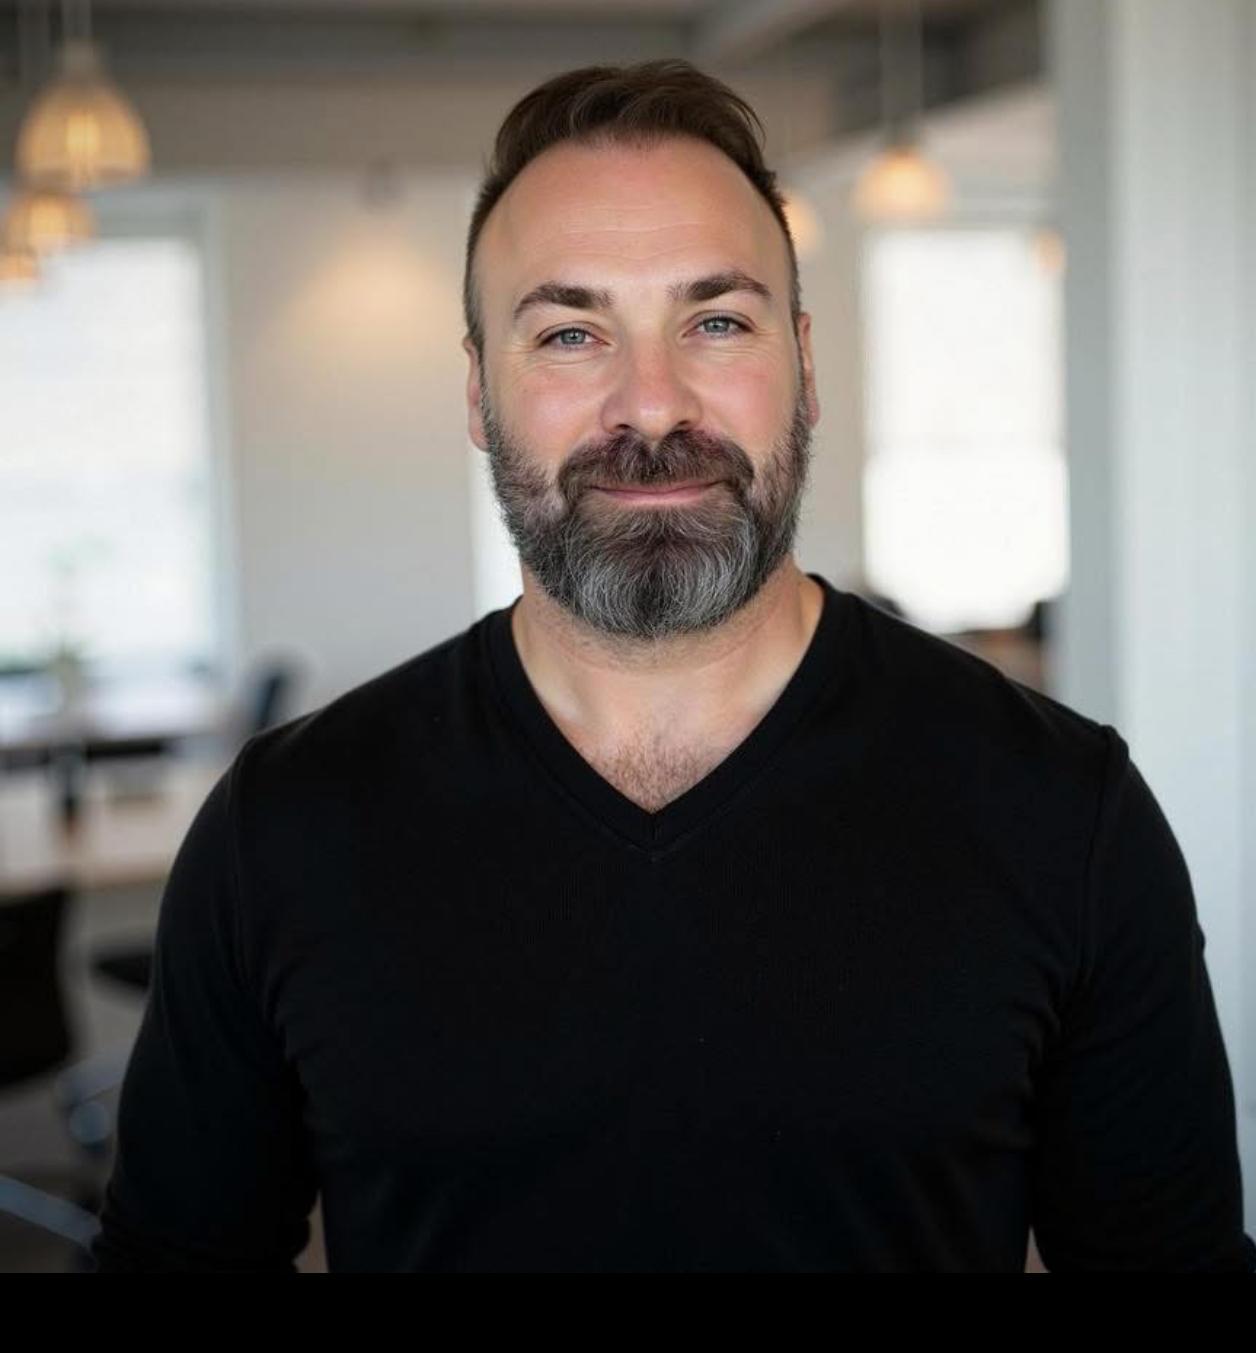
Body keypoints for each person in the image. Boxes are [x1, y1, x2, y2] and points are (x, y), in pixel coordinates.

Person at [90, 59, 1254, 1273]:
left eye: (714, 321)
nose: (651, 405)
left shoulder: (1062, 814)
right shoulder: (282, 830)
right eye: (570, 332)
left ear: (802, 362)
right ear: (479, 393)